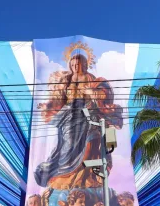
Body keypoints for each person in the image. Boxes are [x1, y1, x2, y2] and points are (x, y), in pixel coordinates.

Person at [34, 51, 123, 190]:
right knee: (67, 144)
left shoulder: (91, 78)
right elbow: (58, 98)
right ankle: (63, 173)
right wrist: (47, 106)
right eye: (73, 64)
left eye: (78, 64)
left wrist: (92, 93)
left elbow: (103, 93)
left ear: (85, 64)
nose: (75, 67)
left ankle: (83, 176)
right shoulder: (67, 79)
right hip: (69, 115)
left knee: (90, 143)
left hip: (87, 113)